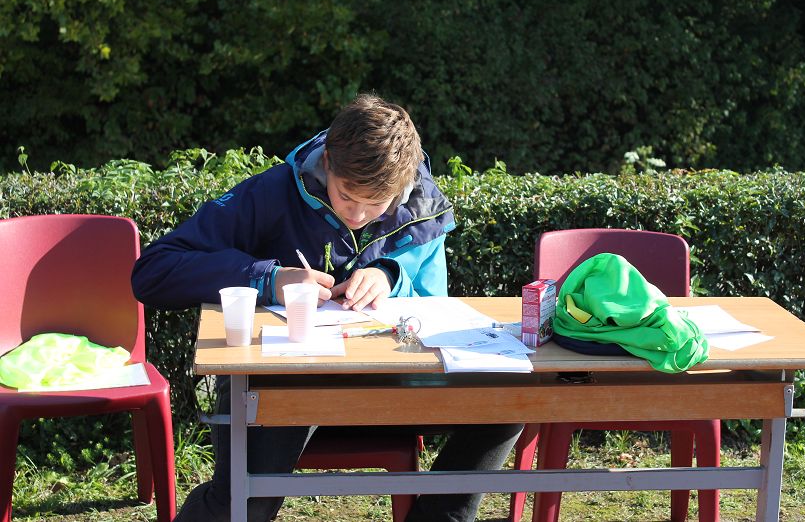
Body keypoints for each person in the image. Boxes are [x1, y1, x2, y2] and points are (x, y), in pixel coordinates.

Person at [131, 93, 523, 522]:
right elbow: (153, 271)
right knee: (243, 505)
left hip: (394, 384)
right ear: (327, 163)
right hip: (287, 384)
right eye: (346, 196)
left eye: (377, 204)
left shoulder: (421, 205)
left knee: (510, 400)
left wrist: (391, 276)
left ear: (404, 183)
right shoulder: (271, 192)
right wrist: (266, 278)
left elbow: (435, 311)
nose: (358, 215)